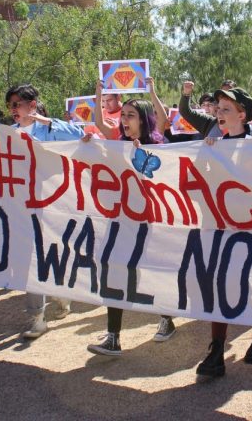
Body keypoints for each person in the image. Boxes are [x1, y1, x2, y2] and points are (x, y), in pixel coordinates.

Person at [85, 77, 177, 356]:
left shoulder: (160, 146)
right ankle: (113, 337)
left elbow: (163, 120)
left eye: (130, 115)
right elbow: (101, 125)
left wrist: (152, 91)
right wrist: (99, 95)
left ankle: (167, 319)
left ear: (144, 119)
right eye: (122, 115)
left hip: (153, 221)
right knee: (114, 269)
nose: (124, 120)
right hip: (123, 219)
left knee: (152, 271)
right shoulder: (117, 144)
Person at [0, 84, 84, 339]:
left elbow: (82, 134)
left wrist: (48, 122)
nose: (13, 109)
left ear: (32, 105)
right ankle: (37, 318)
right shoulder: (8, 134)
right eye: (10, 105)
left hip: (55, 205)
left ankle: (62, 296)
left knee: (56, 253)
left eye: (17, 104)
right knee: (29, 259)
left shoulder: (51, 128)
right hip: (22, 207)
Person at [194, 86, 252, 379]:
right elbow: (195, 180)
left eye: (226, 109)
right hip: (220, 225)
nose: (219, 113)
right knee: (219, 281)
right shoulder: (214, 145)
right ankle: (216, 350)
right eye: (218, 108)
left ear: (242, 114)